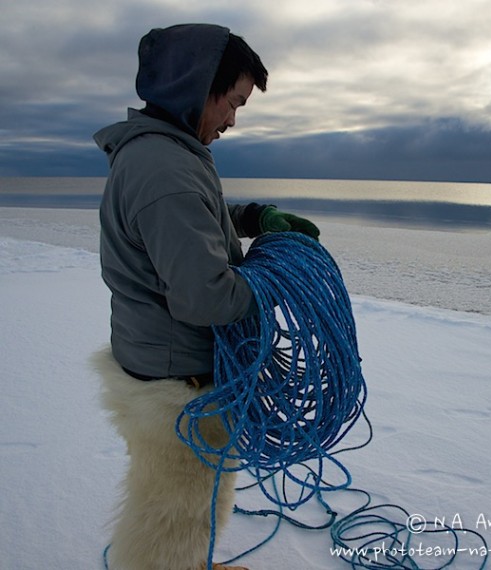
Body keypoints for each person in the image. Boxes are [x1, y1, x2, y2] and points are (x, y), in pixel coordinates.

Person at [92, 23, 319, 570]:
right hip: (176, 385)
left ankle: (195, 563)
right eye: (234, 101)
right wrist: (272, 282)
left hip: (172, 363)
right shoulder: (164, 167)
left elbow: (196, 220)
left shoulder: (168, 152)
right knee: (172, 512)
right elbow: (206, 298)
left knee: (199, 499)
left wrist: (250, 218)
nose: (233, 120)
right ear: (198, 87)